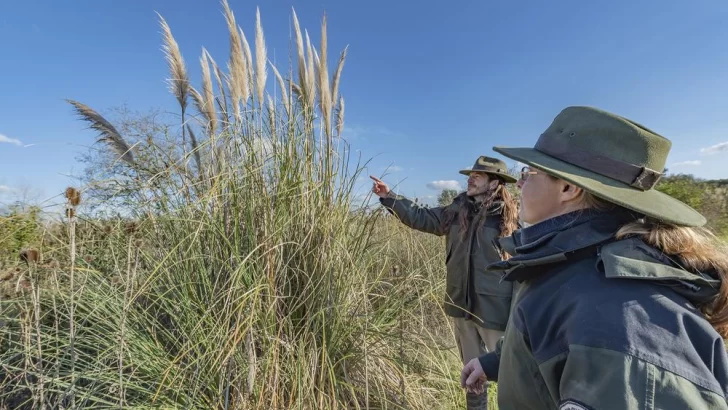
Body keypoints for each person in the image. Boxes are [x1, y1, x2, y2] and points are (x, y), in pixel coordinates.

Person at [460, 106, 728, 409]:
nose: (520, 183)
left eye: (529, 172)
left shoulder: (620, 313)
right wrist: (497, 361)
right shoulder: (573, 261)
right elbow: (562, 339)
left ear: (568, 188)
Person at [371, 156, 519, 409]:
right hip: (461, 306)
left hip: (496, 309)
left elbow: (523, 263)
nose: (470, 179)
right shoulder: (455, 211)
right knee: (472, 375)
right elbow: (421, 216)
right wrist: (390, 197)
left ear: (495, 183)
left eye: (478, 176)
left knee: (511, 373)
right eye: (470, 175)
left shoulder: (511, 218)